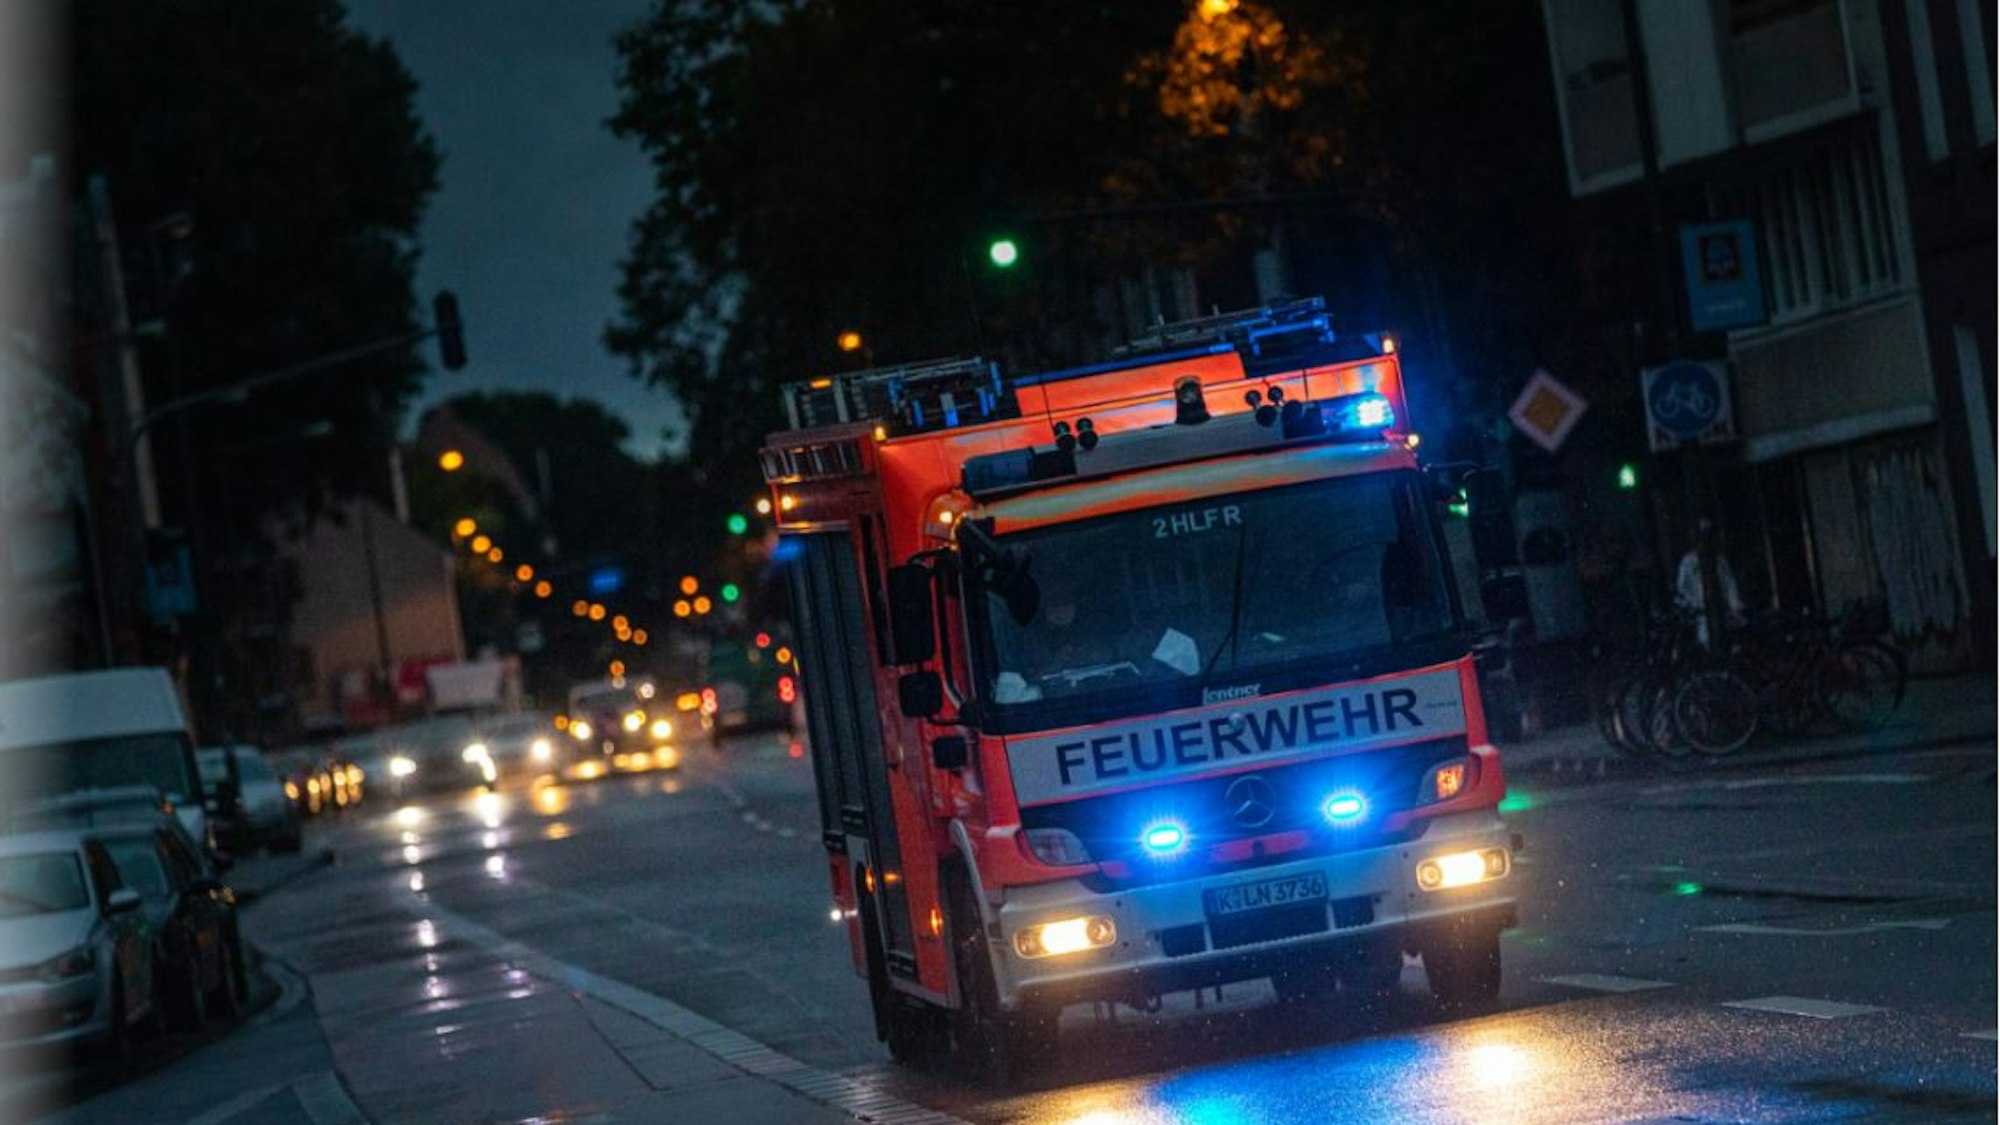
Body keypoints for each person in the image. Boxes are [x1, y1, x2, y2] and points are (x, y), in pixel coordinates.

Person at [1675, 520, 1744, 646]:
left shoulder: (1720, 561)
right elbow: (1682, 591)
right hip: (1701, 616)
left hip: (1723, 613)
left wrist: (1735, 608)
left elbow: (1730, 586)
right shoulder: (1687, 563)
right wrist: (1692, 607)